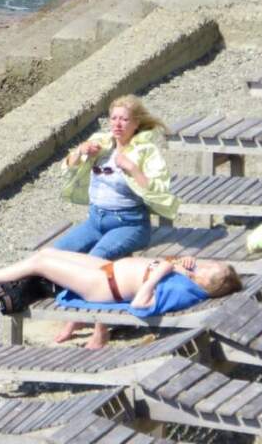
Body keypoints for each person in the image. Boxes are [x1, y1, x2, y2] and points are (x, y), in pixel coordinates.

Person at [52, 95, 176, 348]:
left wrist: (133, 168)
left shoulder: (146, 151)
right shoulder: (101, 142)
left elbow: (161, 190)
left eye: (124, 119)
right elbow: (67, 167)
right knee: (57, 254)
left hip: (129, 223)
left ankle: (100, 327)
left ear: (136, 123)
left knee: (96, 263)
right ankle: (78, 313)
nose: (118, 124)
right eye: (114, 118)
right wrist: (80, 152)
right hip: (96, 220)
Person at [0, 249, 241, 345]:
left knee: (40, 263)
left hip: (102, 286)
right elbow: (168, 268)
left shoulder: (182, 293)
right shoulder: (190, 279)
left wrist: (161, 271)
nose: (203, 265)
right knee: (47, 252)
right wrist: (178, 262)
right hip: (107, 270)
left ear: (207, 284)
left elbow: (140, 305)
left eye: (207, 269)